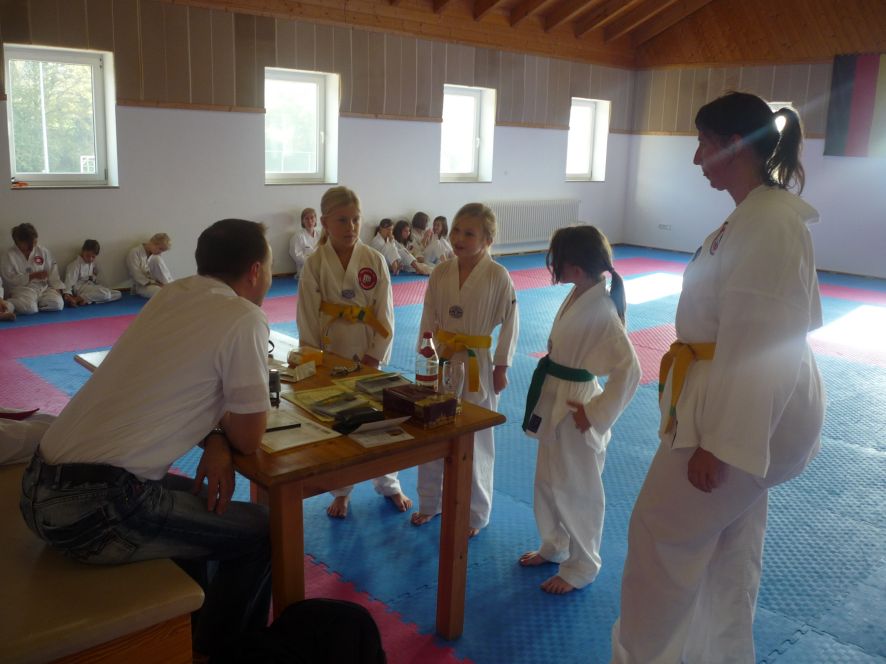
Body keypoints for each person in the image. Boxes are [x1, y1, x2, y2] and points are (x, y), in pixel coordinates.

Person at [611, 92, 826, 663]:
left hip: (744, 415)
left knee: (659, 535)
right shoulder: (751, 216)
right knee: (729, 545)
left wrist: (723, 444)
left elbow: (762, 342)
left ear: (734, 145)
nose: (696, 157)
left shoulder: (770, 223)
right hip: (727, 399)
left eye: (703, 142)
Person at [20, 218, 275, 663]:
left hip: (36, 488)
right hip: (95, 508)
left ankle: (191, 636)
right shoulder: (244, 317)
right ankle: (220, 653)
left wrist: (216, 438)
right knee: (263, 531)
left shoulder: (170, 296)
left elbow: (192, 396)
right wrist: (225, 434)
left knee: (198, 505)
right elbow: (250, 438)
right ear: (256, 270)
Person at [519, 225, 640, 594]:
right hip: (556, 396)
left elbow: (630, 370)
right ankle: (555, 545)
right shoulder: (580, 294)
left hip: (576, 406)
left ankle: (582, 566)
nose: (552, 265)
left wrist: (596, 413)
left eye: (556, 259)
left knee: (576, 488)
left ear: (574, 266)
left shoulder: (602, 310)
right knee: (547, 480)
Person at [297, 186, 412, 519]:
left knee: (380, 422)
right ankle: (341, 490)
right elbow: (307, 315)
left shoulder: (374, 259)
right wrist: (313, 358)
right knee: (338, 423)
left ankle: (389, 484)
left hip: (367, 351)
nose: (350, 226)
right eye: (342, 220)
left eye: (356, 219)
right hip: (331, 353)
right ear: (324, 223)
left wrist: (376, 355)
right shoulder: (315, 263)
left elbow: (385, 312)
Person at [411, 203, 519, 537]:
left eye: (469, 233)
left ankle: (476, 513)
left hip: (477, 363)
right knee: (433, 428)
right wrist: (425, 353)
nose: (459, 238)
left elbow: (511, 323)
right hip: (442, 358)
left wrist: (502, 366)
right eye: (456, 230)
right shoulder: (441, 272)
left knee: (477, 438)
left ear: (487, 240)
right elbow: (428, 315)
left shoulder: (498, 276)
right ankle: (430, 502)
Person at [1, 223, 80, 313]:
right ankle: (9, 304)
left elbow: (52, 272)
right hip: (22, 289)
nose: (32, 247)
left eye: (34, 243)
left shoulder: (43, 251)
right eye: (28, 244)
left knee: (58, 304)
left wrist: (59, 290)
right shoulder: (9, 255)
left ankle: (34, 304)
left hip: (43, 287)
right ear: (18, 242)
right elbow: (9, 280)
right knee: (30, 308)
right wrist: (31, 276)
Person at [64, 239, 122, 305]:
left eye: (93, 257)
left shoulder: (93, 264)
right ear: (83, 251)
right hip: (80, 288)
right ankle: (77, 299)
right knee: (106, 294)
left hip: (91, 286)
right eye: (88, 255)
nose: (90, 259)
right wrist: (68, 295)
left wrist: (93, 277)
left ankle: (88, 300)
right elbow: (69, 282)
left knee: (118, 294)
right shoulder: (75, 265)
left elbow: (95, 277)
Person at [126, 232, 174, 299]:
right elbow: (136, 275)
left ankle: (171, 286)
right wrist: (155, 283)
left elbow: (163, 273)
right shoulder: (134, 253)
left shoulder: (155, 256)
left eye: (163, 251)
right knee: (162, 292)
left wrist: (163, 284)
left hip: (161, 283)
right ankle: (170, 289)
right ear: (152, 242)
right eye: (160, 249)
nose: (160, 252)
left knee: (156, 259)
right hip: (143, 285)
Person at [289, 207, 319, 277]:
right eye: (306, 218)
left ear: (316, 219)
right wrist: (313, 262)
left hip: (321, 267)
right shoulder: (297, 236)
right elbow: (297, 256)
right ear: (302, 221)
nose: (310, 221)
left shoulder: (320, 235)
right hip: (305, 271)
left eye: (312, 218)